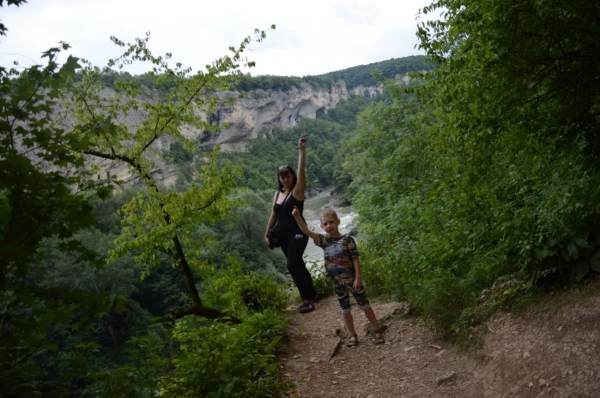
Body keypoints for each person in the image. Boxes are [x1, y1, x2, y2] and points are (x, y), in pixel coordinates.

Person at [291, 206, 385, 346]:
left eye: (331, 222)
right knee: (345, 310)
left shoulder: (348, 240)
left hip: (353, 281)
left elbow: (355, 259)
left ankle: (377, 330)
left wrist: (358, 278)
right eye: (325, 224)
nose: (329, 226)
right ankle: (352, 335)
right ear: (321, 226)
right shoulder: (323, 241)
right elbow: (306, 231)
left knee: (365, 306)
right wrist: (297, 217)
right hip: (337, 283)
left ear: (338, 221)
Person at [264, 133, 318, 314]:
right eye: (282, 177)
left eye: (287, 176)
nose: (285, 179)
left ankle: (307, 300)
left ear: (292, 177)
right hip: (284, 235)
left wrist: (301, 150)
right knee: (298, 264)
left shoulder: (298, 191)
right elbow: (273, 216)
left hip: (298, 232)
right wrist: (267, 233)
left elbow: (301, 171)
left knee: (292, 265)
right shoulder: (277, 194)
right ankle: (312, 293)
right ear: (279, 179)